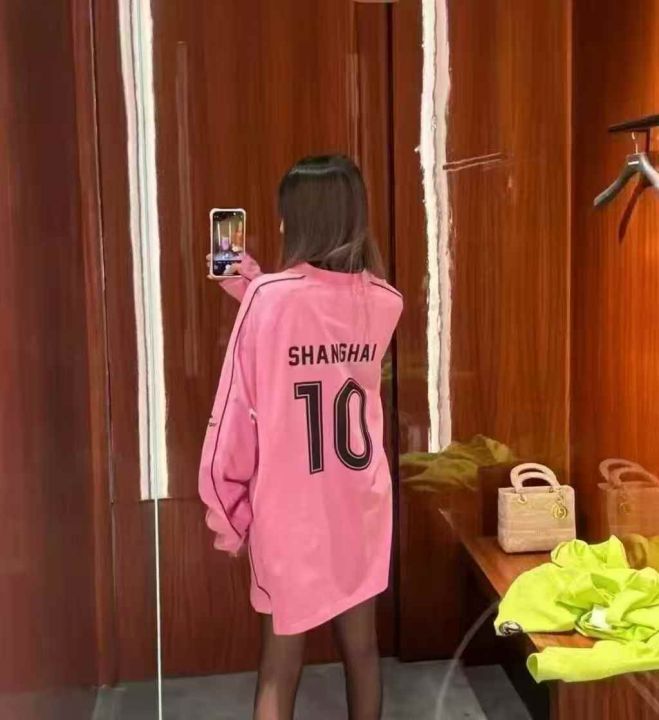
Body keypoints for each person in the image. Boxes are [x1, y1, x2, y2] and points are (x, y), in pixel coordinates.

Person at [199, 155, 403, 720]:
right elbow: (317, 325)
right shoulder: (385, 302)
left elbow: (234, 414)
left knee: (279, 667)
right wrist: (252, 284)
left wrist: (227, 513)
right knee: (362, 651)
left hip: (292, 515)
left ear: (297, 221)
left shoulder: (268, 301)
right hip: (361, 506)